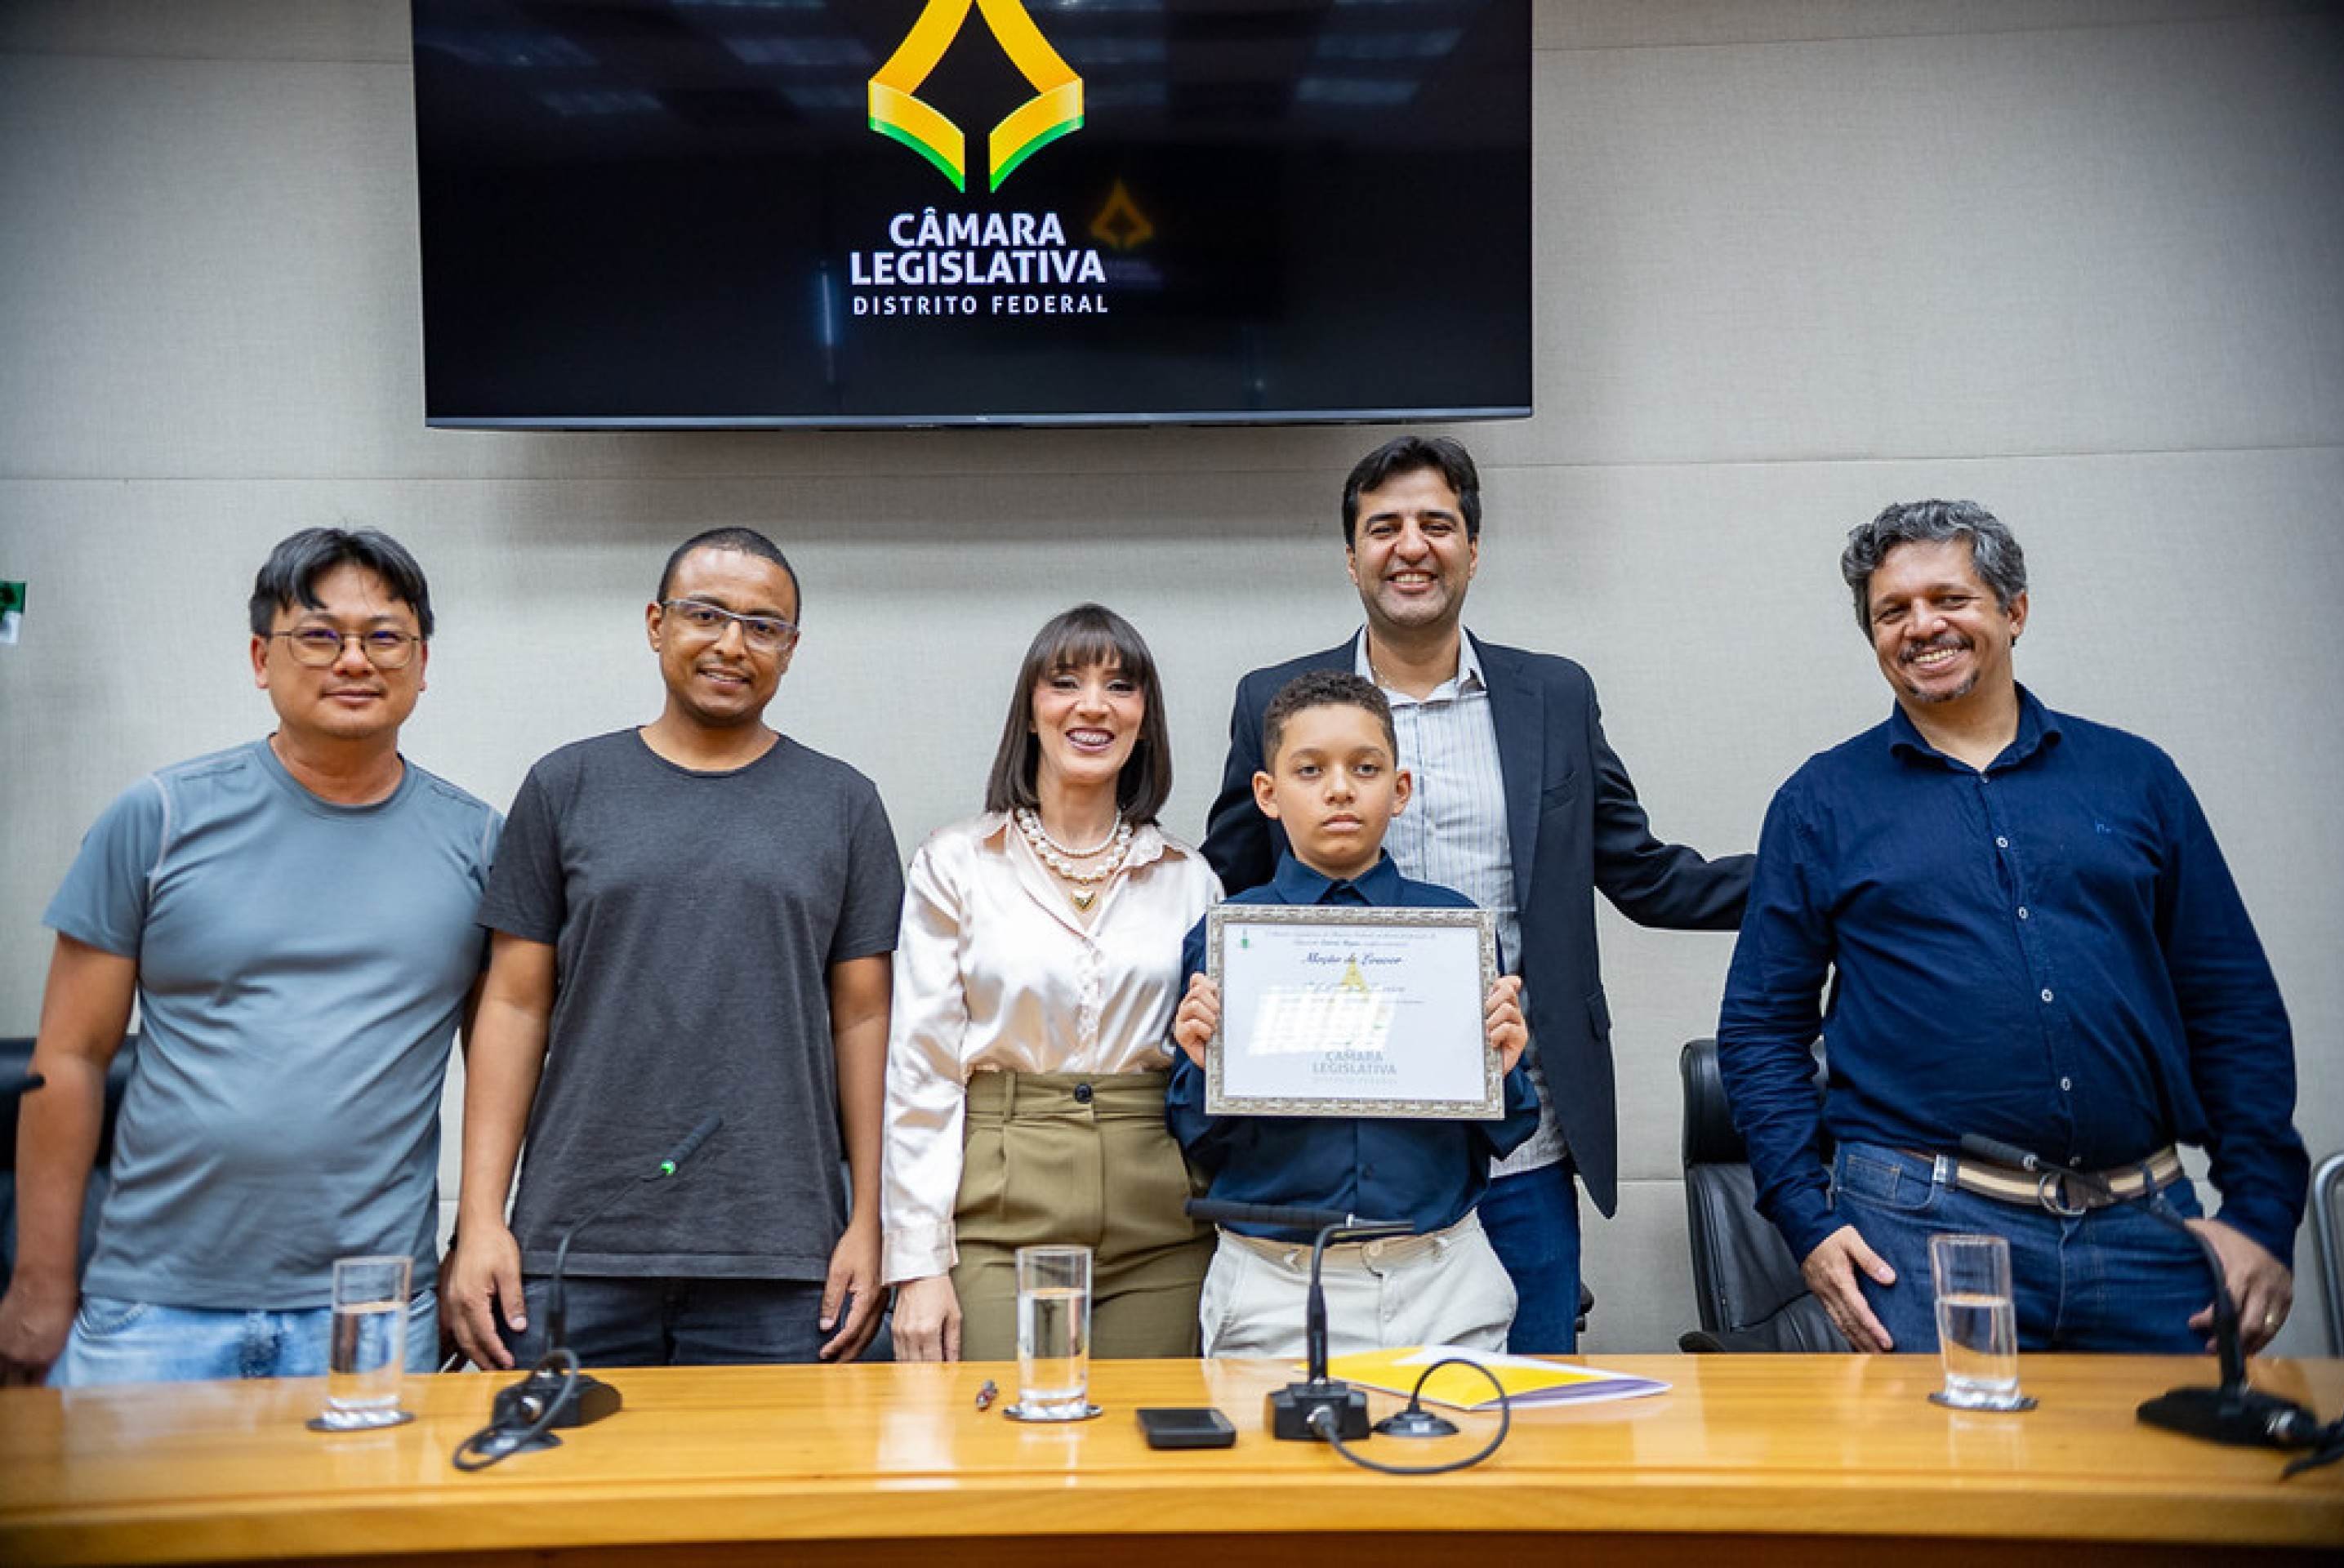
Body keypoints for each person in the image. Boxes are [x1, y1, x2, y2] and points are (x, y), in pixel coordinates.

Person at [1716, 499, 2307, 1355]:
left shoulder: (2136, 778)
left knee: (2172, 1488)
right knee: (1949, 1489)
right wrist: (1806, 1219)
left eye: (1949, 599)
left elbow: (2229, 1002)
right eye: (1893, 611)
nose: (1922, 626)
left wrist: (2262, 1208)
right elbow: (1762, 1028)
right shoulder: (1821, 803)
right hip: (1920, 1241)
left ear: (2014, 611)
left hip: (2147, 1234)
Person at [1201, 436, 1751, 1351]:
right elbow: (1223, 888)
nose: (1410, 545)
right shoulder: (1279, 702)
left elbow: (1649, 875)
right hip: (1336, 1148)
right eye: (1384, 527)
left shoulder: (1554, 695)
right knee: (1331, 1443)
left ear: (1473, 549)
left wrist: (1826, 877)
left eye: (1437, 524)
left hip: (1517, 1142)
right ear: (1351, 557)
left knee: (1522, 1429)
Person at [0, 528, 497, 1387]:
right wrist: (41, 1282)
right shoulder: (156, 819)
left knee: (364, 1528)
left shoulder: (482, 844)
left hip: (371, 1308)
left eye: (384, 636)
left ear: (423, 663)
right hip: (152, 1306)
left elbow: (501, 1062)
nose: (354, 660)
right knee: (128, 1526)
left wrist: (474, 1240)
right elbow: (71, 1059)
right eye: (318, 635)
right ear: (262, 657)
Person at [442, 528, 902, 1370]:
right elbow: (511, 1004)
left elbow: (865, 1021)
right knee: (563, 1499)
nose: (733, 643)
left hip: (783, 1255)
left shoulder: (844, 805)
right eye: (707, 615)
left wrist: (869, 1220)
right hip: (573, 1251)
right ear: (656, 624)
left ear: (791, 651)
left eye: (764, 627)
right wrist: (480, 1219)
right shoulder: (565, 787)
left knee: (772, 1503)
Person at [883, 605, 1220, 1361]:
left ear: (1144, 721)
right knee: (1005, 1443)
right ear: (1031, 713)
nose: (1093, 705)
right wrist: (916, 1264)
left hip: (1159, 1215)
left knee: (1151, 1455)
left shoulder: (1190, 877)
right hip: (1001, 1207)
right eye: (1065, 682)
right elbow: (922, 1073)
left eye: (1121, 687)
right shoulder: (956, 862)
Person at [1171, 670, 1537, 1356]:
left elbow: (1508, 1128)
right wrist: (1202, 1065)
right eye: (1310, 770)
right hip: (1274, 1283)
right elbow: (1194, 1135)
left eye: (1364, 768)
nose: (1339, 788)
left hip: (1440, 1275)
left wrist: (1503, 1067)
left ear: (1399, 790)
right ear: (1267, 795)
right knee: (1274, 1465)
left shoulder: (1452, 929)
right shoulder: (1228, 936)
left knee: (1458, 1459)